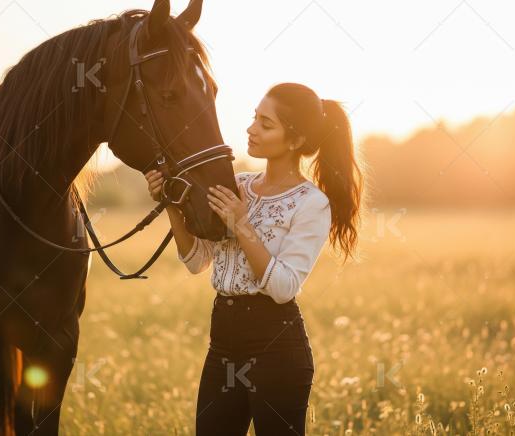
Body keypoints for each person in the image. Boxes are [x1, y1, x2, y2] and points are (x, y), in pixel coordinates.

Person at [145, 82, 363, 435]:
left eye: (266, 123)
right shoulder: (236, 184)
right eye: (254, 118)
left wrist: (241, 225)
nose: (251, 128)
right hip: (222, 344)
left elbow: (283, 287)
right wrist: (170, 201)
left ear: (294, 141)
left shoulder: (312, 204)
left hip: (276, 349)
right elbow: (196, 260)